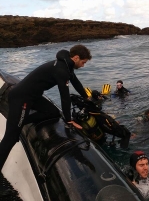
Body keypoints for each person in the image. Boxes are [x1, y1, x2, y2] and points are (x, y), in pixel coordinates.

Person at [0, 44, 91, 181]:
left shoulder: (67, 65)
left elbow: (76, 83)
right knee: (11, 138)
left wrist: (86, 97)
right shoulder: (61, 69)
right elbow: (64, 97)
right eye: (83, 62)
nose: (83, 66)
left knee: (53, 112)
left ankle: (20, 122)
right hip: (22, 97)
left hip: (34, 96)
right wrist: (68, 120)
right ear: (76, 57)